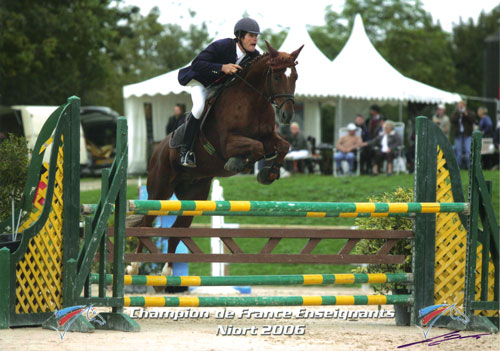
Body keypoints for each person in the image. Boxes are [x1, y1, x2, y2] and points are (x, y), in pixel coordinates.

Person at [177, 18, 261, 167]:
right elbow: (197, 64)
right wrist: (222, 67)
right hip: (201, 83)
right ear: (240, 36)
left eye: (256, 36)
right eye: (251, 35)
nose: (255, 39)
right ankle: (186, 151)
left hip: (220, 88)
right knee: (199, 107)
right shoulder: (222, 45)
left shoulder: (254, 56)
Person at [450, 101, 475, 169]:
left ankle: (469, 168)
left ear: (465, 106)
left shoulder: (469, 112)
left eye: (462, 106)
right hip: (458, 135)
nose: (460, 107)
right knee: (459, 153)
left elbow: (473, 120)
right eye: (459, 106)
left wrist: (465, 113)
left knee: (468, 151)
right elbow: (452, 120)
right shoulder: (456, 113)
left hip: (467, 135)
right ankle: (457, 168)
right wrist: (459, 113)